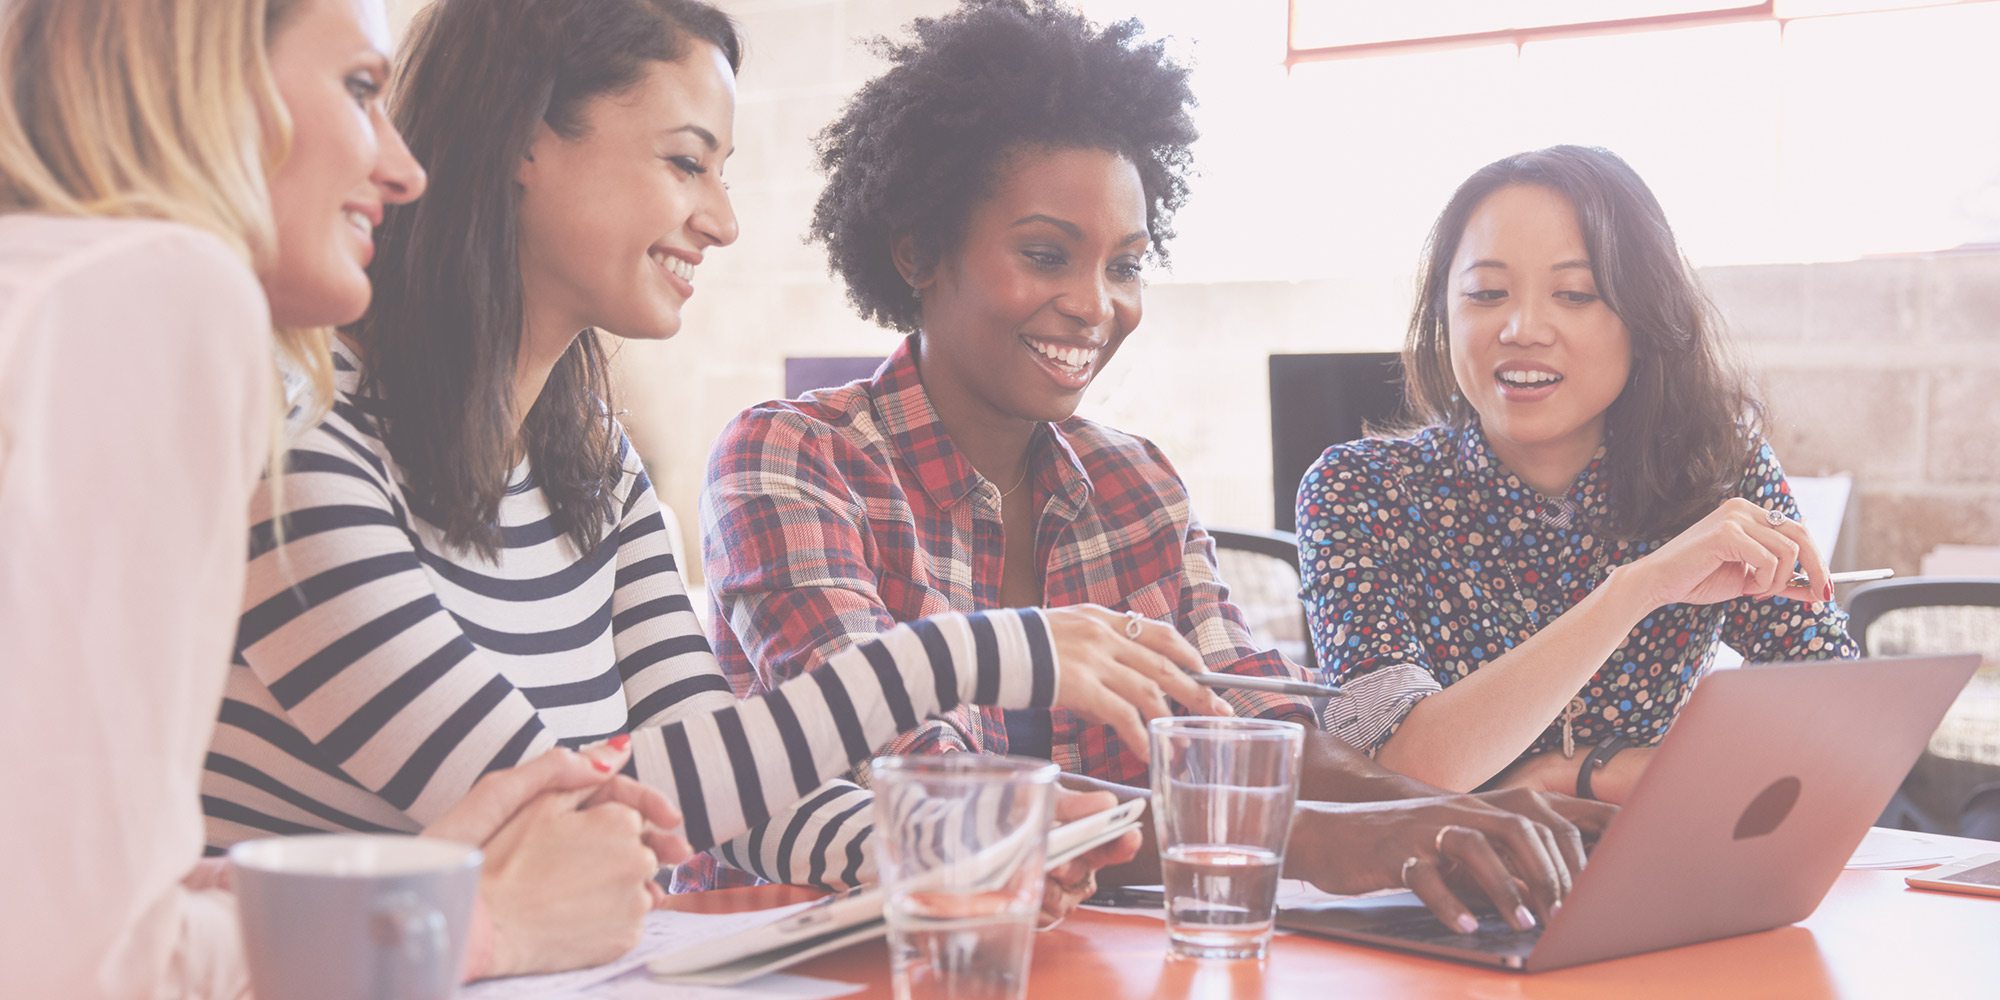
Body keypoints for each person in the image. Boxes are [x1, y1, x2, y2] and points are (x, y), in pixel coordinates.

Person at [198, 0, 1197, 930]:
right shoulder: (296, 437)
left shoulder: (593, 464)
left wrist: (960, 843)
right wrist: (983, 649)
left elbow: (727, 796)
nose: (721, 219)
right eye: (687, 164)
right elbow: (553, 812)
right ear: (522, 139)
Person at [698, 0, 1611, 933]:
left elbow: (1253, 726)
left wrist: (1438, 815)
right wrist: (1327, 842)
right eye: (1046, 254)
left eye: (1125, 265)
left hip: (1078, 961)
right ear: (919, 251)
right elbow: (927, 791)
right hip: (826, 966)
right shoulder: (792, 462)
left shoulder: (1135, 486)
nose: (1096, 306)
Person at [0, 0, 691, 992]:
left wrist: (406, 881)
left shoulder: (55, 282)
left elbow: (72, 887)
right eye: (361, 90)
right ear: (206, 79)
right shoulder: (155, 291)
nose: (403, 171)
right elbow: (82, 963)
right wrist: (473, 924)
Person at [1296, 145, 1861, 802]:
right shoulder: (1359, 491)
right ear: (1444, 312)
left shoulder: (1713, 475)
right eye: (1486, 293)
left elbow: (1838, 732)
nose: (1524, 327)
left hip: (1659, 879)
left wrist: (1575, 774)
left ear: (1643, 316)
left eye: (1575, 293)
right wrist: (1635, 592)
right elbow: (1394, 773)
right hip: (1441, 888)